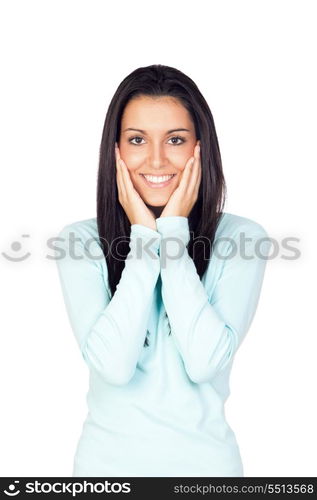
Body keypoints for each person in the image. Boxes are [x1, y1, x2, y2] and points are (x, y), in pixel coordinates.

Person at [55, 64, 271, 477]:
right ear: (115, 150)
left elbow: (205, 362)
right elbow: (114, 367)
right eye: (137, 140)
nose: (156, 159)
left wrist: (171, 234)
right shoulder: (78, 242)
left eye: (175, 139)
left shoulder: (242, 238)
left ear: (200, 149)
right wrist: (143, 238)